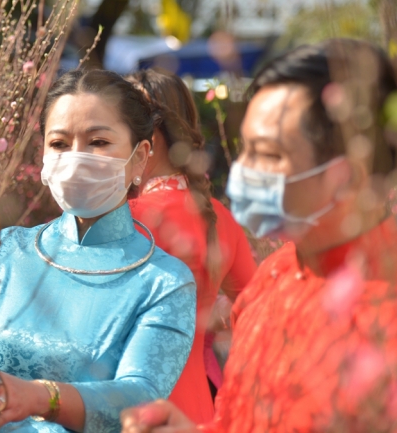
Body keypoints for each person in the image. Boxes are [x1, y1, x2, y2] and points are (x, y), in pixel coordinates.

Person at [120, 38, 397, 432]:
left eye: (268, 155)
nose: (243, 172)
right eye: (244, 150)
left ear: (348, 173)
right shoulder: (270, 282)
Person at [0, 69, 197, 433]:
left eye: (98, 142)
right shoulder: (3, 252)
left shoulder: (164, 282)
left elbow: (140, 398)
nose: (77, 158)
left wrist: (42, 397)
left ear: (139, 158)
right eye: (59, 144)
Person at [124, 69, 256, 424]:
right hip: (200, 413)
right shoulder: (220, 216)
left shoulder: (126, 220)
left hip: (134, 411)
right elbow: (259, 307)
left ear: (149, 133)